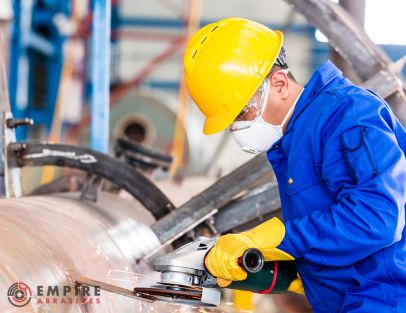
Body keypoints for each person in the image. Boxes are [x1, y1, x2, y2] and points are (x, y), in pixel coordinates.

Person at [183, 17, 406, 313]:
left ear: (279, 83)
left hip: (385, 300)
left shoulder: (348, 115)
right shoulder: (296, 140)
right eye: (230, 122)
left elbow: (378, 219)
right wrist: (272, 271)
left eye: (242, 113)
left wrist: (277, 239)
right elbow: (330, 235)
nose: (237, 128)